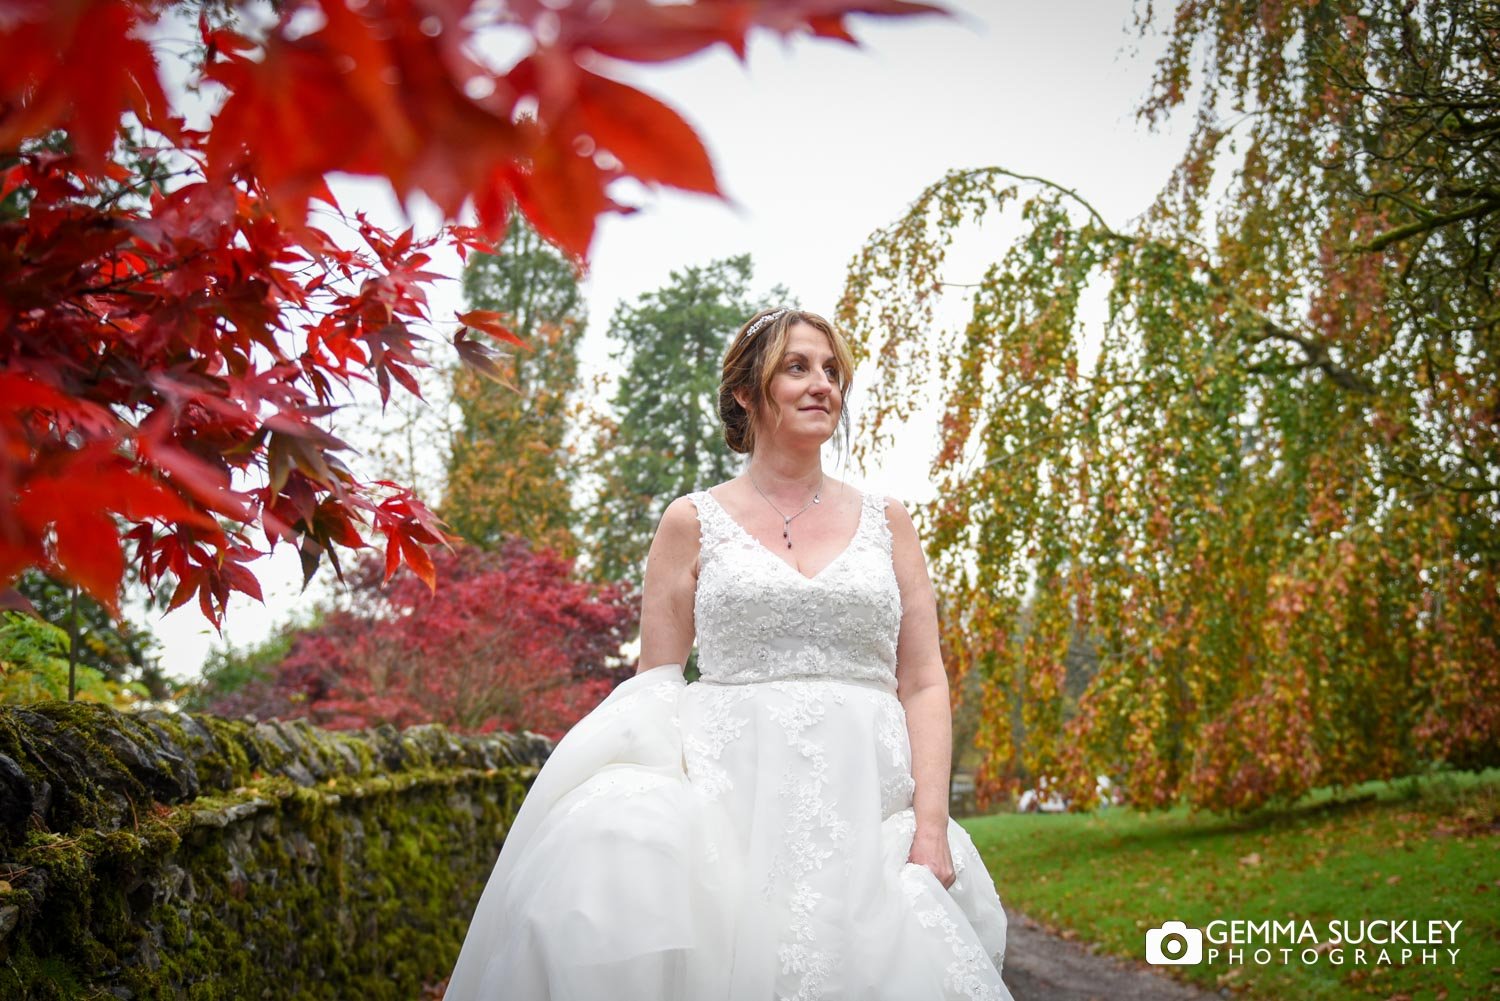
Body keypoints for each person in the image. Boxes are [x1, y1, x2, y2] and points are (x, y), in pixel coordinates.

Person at [443, 307, 1015, 1000]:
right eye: (797, 367)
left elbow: (924, 680)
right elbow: (655, 685)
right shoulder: (691, 522)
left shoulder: (888, 521)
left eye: (832, 371)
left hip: (868, 803)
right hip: (729, 805)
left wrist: (930, 827)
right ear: (747, 392)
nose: (822, 385)